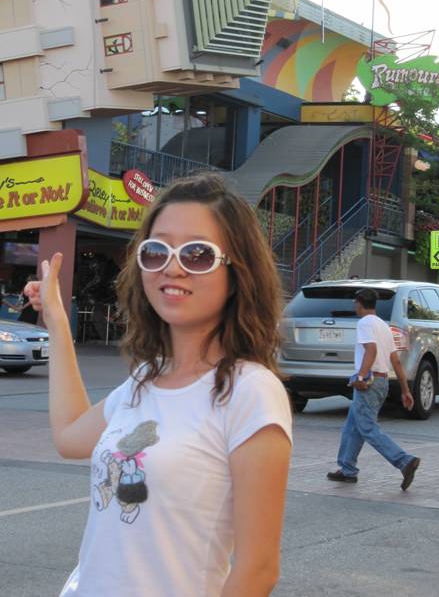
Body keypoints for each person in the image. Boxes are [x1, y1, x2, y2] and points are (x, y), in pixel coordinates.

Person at [24, 173, 293, 596]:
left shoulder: (250, 392)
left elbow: (258, 571)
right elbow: (69, 436)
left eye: (197, 254)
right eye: (156, 251)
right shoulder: (144, 381)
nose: (172, 267)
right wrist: (57, 322)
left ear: (237, 272)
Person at [327, 287, 420, 489]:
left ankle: (404, 461)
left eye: (355, 303)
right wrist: (405, 390)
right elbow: (395, 361)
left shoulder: (365, 323)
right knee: (353, 426)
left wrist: (360, 375)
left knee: (367, 428)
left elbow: (371, 349)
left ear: (359, 303)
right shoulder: (384, 326)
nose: (354, 306)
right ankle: (347, 469)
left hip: (368, 383)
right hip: (382, 382)